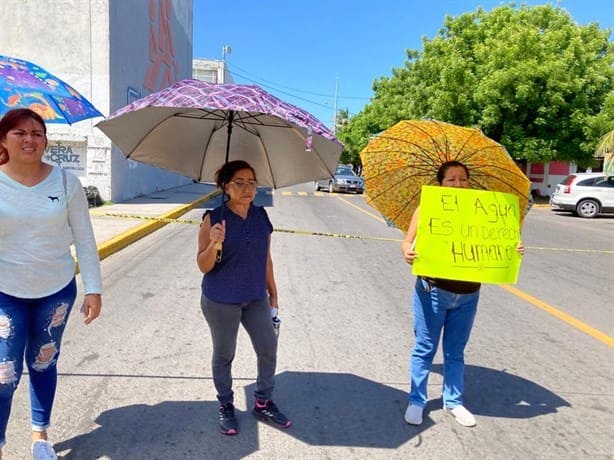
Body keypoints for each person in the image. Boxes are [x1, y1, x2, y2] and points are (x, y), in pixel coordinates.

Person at [0, 108, 102, 459]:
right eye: (19, 133)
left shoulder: (65, 182)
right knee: (4, 373)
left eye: (37, 133)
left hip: (55, 291)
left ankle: (39, 437)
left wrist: (94, 288)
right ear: (4, 140)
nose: (30, 139)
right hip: (5, 293)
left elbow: (85, 239)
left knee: (43, 362)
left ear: (45, 141)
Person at [401, 160, 524, 428]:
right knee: (425, 348)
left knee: (455, 352)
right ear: (441, 183)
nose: (458, 183)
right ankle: (416, 400)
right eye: (451, 179)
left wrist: (513, 250)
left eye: (463, 179)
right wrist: (408, 251)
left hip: (468, 294)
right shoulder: (426, 209)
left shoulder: (486, 212)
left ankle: (453, 401)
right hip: (432, 291)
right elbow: (407, 241)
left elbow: (501, 243)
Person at [197, 160, 291, 435]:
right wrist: (214, 243)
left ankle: (263, 401)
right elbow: (203, 266)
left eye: (251, 182)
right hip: (221, 299)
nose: (247, 188)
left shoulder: (261, 216)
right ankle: (225, 404)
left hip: (254, 296)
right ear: (225, 186)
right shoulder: (213, 219)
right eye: (239, 182)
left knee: (268, 347)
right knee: (225, 354)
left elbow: (266, 259)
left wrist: (273, 292)